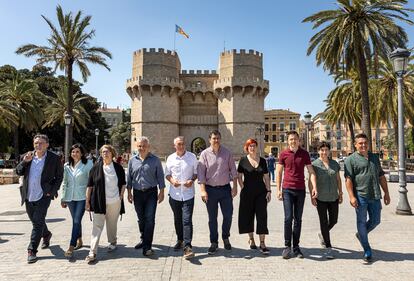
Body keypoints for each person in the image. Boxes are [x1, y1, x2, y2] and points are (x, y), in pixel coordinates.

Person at [16, 134, 64, 263]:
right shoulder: (27, 157)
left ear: (47, 144)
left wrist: (52, 192)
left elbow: (59, 177)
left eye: (41, 143)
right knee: (36, 221)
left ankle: (32, 250)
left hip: (44, 195)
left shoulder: (54, 158)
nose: (38, 145)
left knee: (37, 223)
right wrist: (24, 161)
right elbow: (18, 172)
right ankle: (46, 234)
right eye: (36, 143)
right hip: (28, 195)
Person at [344, 133, 390, 262]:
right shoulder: (350, 160)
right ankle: (367, 249)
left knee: (376, 220)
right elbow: (348, 180)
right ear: (355, 145)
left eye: (365, 143)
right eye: (360, 143)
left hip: (375, 194)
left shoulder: (375, 157)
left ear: (368, 143)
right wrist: (351, 196)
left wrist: (386, 193)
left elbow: (381, 176)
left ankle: (361, 234)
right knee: (361, 222)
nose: (363, 145)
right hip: (360, 195)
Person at [276, 130, 317, 259]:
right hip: (287, 189)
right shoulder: (283, 154)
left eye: (295, 139)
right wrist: (278, 189)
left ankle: (296, 247)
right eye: (291, 139)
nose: (293, 141)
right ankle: (287, 246)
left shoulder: (304, 154)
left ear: (299, 141)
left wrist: (314, 187)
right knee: (288, 218)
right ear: (287, 141)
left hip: (300, 190)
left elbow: (311, 171)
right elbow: (278, 173)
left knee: (298, 219)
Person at [197, 130, 238, 255]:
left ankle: (225, 237)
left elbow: (233, 171)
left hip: (225, 189)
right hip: (210, 190)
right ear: (210, 140)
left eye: (218, 138)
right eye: (214, 138)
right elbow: (201, 174)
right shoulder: (204, 154)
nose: (216, 140)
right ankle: (214, 242)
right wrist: (203, 190)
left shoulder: (227, 153)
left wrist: (235, 187)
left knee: (228, 215)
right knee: (212, 218)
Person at [85, 145, 126, 263]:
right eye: (103, 152)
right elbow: (90, 186)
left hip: (115, 202)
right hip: (98, 202)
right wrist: (87, 201)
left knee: (112, 224)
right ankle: (92, 252)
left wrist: (121, 196)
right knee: (97, 227)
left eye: (107, 152)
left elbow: (123, 183)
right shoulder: (95, 168)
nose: (105, 154)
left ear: (112, 153)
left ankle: (113, 241)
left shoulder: (118, 168)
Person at [127, 136, 165, 257]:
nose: (141, 148)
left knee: (150, 218)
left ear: (148, 147)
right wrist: (129, 192)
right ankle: (143, 238)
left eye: (144, 146)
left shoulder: (155, 160)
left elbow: (160, 176)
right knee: (141, 219)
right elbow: (129, 178)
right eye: (139, 146)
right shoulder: (132, 161)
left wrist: (162, 192)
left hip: (151, 193)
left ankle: (147, 246)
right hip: (137, 193)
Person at [165, 136, 198, 259]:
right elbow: (167, 174)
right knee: (177, 219)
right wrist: (172, 180)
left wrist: (192, 180)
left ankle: (188, 246)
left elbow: (196, 172)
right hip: (174, 195)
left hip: (188, 194)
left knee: (187, 220)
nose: (181, 146)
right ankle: (180, 240)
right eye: (179, 144)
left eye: (183, 143)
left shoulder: (192, 157)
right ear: (175, 146)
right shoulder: (170, 158)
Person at [237, 138, 271, 255]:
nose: (252, 148)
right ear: (247, 148)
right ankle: (251, 239)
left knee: (262, 216)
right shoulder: (243, 160)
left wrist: (269, 190)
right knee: (248, 216)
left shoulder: (262, 161)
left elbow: (266, 177)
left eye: (254, 146)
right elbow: (239, 176)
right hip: (247, 193)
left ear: (257, 147)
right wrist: (242, 187)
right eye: (250, 146)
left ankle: (262, 243)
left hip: (261, 193)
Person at [308, 142, 342, 259]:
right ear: (318, 151)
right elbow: (310, 181)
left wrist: (340, 193)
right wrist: (312, 196)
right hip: (321, 198)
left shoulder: (334, 164)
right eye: (322, 150)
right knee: (323, 221)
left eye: (326, 150)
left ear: (329, 151)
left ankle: (323, 233)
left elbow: (338, 179)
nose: (324, 152)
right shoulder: (314, 164)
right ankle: (328, 247)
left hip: (333, 197)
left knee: (334, 220)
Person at [60, 143, 93, 258]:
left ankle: (71, 246)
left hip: (82, 197)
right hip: (69, 198)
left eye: (77, 152)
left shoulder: (88, 164)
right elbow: (65, 182)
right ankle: (79, 240)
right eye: (73, 152)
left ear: (82, 153)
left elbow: (91, 181)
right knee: (76, 220)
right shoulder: (66, 165)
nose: (75, 154)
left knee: (76, 220)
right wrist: (63, 198)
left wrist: (90, 198)